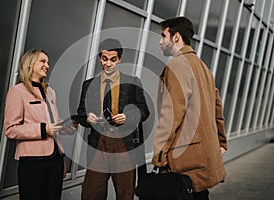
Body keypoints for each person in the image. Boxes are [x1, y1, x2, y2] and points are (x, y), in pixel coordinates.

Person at [152, 17, 228, 200]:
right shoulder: (202, 67)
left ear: (176, 37)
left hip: (185, 158)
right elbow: (217, 107)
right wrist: (221, 141)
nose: (160, 41)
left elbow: (171, 114)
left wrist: (160, 153)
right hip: (203, 156)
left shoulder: (178, 65)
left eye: (164, 36)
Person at [77, 38, 150, 200]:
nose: (108, 64)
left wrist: (128, 117)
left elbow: (144, 111)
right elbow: (81, 113)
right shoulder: (88, 85)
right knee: (90, 194)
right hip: (98, 143)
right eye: (104, 59)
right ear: (99, 58)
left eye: (113, 59)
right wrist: (88, 118)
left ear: (119, 59)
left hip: (124, 144)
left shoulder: (132, 82)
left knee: (125, 194)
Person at [4, 49, 75, 200]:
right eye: (43, 61)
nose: (47, 65)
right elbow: (10, 129)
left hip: (55, 160)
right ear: (29, 64)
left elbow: (52, 121)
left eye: (48, 62)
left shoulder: (50, 92)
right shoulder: (17, 92)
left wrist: (68, 125)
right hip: (32, 162)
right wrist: (43, 129)